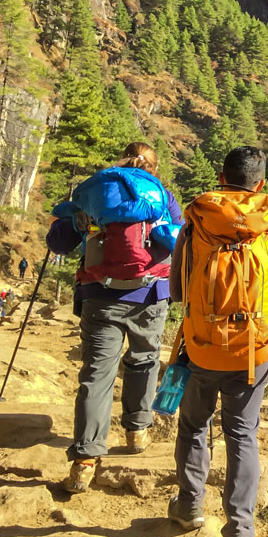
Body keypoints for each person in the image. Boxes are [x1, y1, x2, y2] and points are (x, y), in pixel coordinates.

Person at [169, 146, 268, 537]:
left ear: (221, 177)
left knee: (193, 424)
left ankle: (189, 506)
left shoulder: (196, 223)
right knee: (242, 436)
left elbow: (179, 290)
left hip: (202, 345)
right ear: (260, 184)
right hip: (253, 353)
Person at [47, 143, 183, 493]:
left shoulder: (98, 191)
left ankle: (85, 461)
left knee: (97, 375)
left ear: (122, 160)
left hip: (100, 295)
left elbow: (59, 243)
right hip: (151, 294)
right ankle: (137, 431)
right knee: (145, 359)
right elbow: (178, 241)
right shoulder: (162, 198)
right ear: (154, 167)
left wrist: (72, 223)